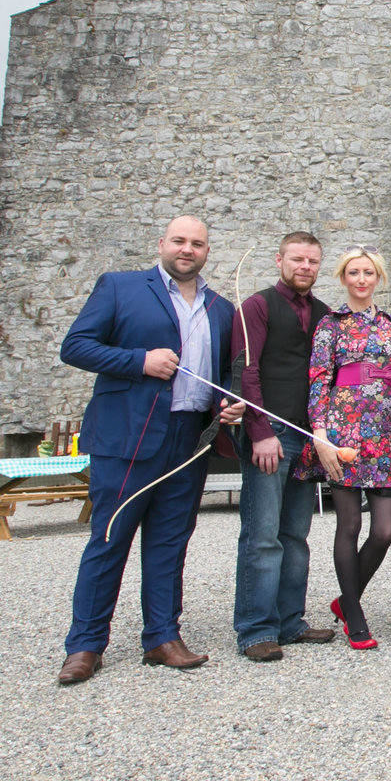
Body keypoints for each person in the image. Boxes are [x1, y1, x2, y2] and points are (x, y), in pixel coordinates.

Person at [56, 215, 246, 685]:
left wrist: (229, 400)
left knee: (169, 544)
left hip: (189, 441)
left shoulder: (221, 308)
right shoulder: (120, 288)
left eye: (197, 243)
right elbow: (75, 346)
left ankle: (162, 637)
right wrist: (139, 360)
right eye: (179, 241)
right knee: (109, 539)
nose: (188, 250)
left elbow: (223, 370)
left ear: (207, 251)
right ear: (162, 244)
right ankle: (85, 645)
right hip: (128, 438)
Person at [298, 244, 391, 650]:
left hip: (386, 432)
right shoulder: (330, 325)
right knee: (348, 526)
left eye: (368, 273)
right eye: (354, 273)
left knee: (384, 530)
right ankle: (355, 613)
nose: (361, 279)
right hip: (344, 428)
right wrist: (320, 432)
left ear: (378, 278)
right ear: (343, 278)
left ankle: (346, 601)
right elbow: (318, 378)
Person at [229, 231, 335, 662]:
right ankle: (256, 629)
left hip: (309, 436)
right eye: (297, 259)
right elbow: (246, 371)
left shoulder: (325, 313)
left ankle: (290, 621)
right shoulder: (256, 306)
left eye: (312, 260)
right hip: (270, 433)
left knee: (296, 534)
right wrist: (259, 431)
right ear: (279, 260)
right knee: (262, 536)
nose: (304, 267)